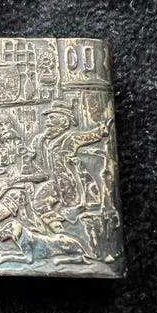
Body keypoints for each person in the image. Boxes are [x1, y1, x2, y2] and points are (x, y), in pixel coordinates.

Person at [31, 100, 112, 233]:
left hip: (69, 182)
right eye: (48, 118)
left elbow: (91, 136)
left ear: (63, 121)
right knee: (39, 203)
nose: (47, 121)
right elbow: (31, 154)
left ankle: (71, 233)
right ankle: (60, 233)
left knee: (70, 209)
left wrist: (102, 130)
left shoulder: (71, 137)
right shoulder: (41, 139)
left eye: (52, 117)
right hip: (51, 181)